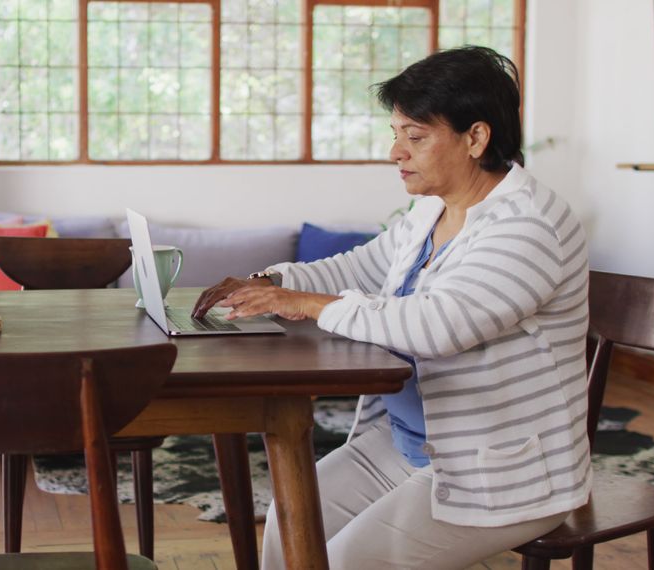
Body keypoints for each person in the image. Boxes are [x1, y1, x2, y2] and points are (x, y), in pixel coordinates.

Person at [192, 46, 590, 569]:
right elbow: (360, 268)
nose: (395, 152)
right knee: (287, 531)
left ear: (476, 137)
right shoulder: (432, 210)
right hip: (405, 446)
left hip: (493, 469)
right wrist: (269, 282)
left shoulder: (528, 225)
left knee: (343, 562)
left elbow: (438, 327)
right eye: (397, 133)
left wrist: (308, 304)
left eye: (416, 137)